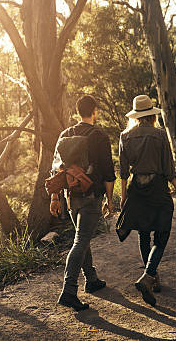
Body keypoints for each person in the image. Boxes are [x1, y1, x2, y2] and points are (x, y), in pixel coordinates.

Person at [116, 95, 176, 306]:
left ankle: (152, 277)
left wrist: (123, 197)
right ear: (151, 115)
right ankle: (149, 276)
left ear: (136, 116)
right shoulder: (160, 134)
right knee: (162, 234)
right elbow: (168, 168)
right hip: (157, 189)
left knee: (144, 232)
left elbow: (123, 172)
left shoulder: (125, 136)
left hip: (136, 189)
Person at [50, 95, 116, 311]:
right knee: (81, 240)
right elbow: (108, 172)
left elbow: (55, 170)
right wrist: (109, 199)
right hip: (91, 196)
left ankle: (92, 279)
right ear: (94, 111)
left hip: (70, 197)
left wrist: (54, 198)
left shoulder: (64, 134)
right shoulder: (99, 136)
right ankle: (69, 291)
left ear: (78, 112)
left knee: (82, 236)